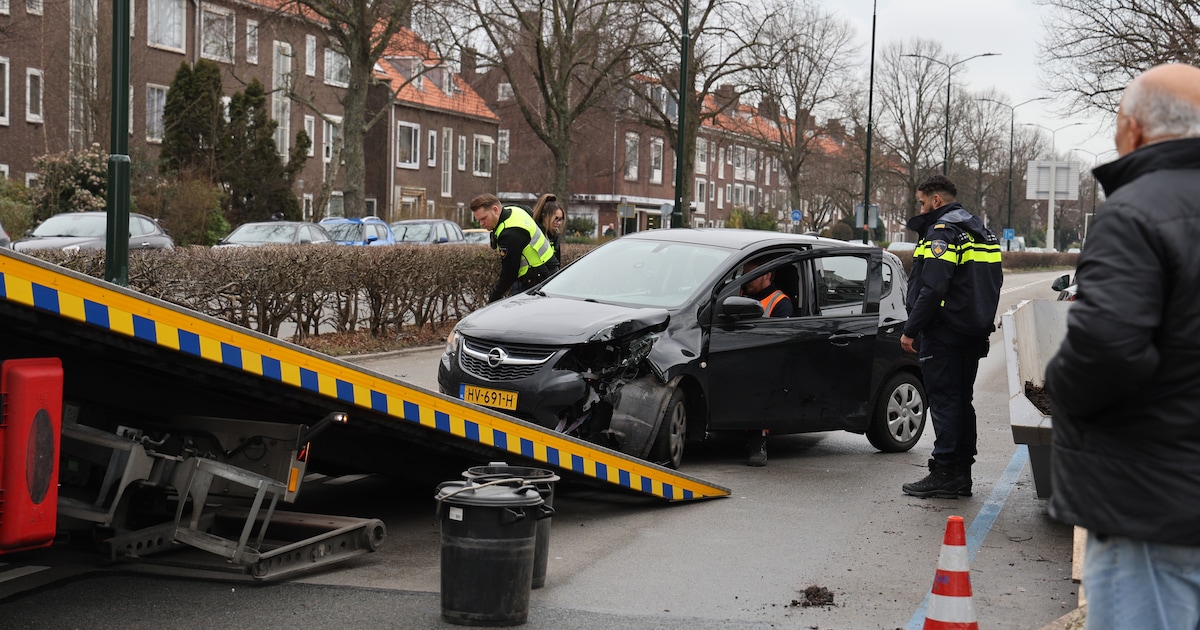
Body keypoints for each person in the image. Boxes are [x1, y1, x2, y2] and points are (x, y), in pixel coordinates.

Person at [1044, 63, 1200, 629]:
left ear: (1133, 130)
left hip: (1154, 506)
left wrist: (1058, 387)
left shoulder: (1135, 214)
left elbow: (1106, 347)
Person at [899, 174, 1003, 498]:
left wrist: (910, 329)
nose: (921, 207)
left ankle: (943, 470)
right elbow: (994, 282)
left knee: (944, 401)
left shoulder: (943, 232)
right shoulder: (982, 231)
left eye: (921, 201)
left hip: (944, 332)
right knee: (961, 401)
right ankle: (961, 473)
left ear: (936, 200)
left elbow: (933, 287)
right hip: (972, 331)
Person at [740, 260, 794, 466]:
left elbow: (781, 341)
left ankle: (758, 440)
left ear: (767, 275)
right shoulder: (740, 295)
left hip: (766, 361)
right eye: (744, 275)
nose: (746, 281)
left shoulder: (780, 302)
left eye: (751, 275)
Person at [470, 193, 555, 303]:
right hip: (549, 269)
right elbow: (532, 216)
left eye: (484, 218)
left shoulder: (510, 233)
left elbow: (509, 273)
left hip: (534, 280)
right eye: (479, 220)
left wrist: (493, 299)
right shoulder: (515, 210)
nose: (481, 223)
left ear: (495, 209)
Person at [531, 193, 565, 273]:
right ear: (544, 216)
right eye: (556, 219)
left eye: (560, 219)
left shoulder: (555, 235)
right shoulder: (535, 235)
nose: (558, 223)